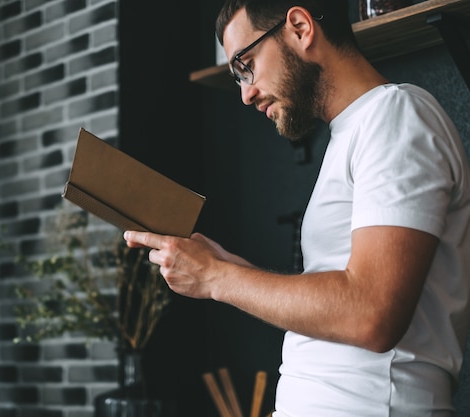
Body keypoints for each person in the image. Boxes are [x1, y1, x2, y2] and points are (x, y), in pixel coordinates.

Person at [123, 0, 470, 416]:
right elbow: (339, 299)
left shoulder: (394, 116)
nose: (246, 94)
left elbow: (371, 314)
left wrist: (217, 277)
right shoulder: (354, 131)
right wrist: (233, 269)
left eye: (245, 65)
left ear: (301, 28)